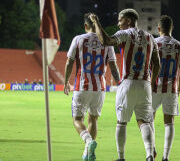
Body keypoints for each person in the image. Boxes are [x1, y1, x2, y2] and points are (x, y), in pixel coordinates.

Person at [90, 9, 161, 161]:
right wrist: (152, 82)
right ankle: (149, 155)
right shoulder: (150, 38)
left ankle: (121, 158)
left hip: (128, 82)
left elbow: (106, 41)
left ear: (128, 21)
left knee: (121, 122)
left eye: (120, 20)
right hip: (145, 85)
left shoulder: (125, 34)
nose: (118, 23)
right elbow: (157, 65)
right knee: (144, 121)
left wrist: (96, 22)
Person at [64, 13, 120, 161]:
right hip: (99, 88)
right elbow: (113, 65)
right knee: (93, 119)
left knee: (77, 119)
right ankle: (87, 153)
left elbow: (69, 62)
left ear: (85, 26)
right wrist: (119, 83)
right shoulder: (106, 42)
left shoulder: (78, 39)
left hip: (82, 86)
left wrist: (65, 82)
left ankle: (88, 142)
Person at [151, 15, 180, 161]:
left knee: (149, 119)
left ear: (158, 29)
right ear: (172, 28)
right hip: (171, 88)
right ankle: (165, 157)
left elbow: (148, 66)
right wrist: (178, 90)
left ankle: (151, 149)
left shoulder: (153, 43)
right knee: (169, 122)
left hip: (153, 87)